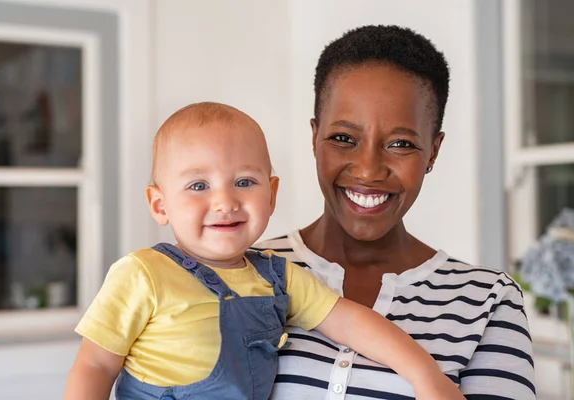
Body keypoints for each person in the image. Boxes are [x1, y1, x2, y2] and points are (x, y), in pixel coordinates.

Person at [63, 102, 464, 400]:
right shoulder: (142, 274)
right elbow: (95, 364)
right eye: (199, 186)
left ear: (271, 195)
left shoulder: (277, 276)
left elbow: (353, 323)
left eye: (244, 182)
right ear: (159, 204)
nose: (225, 202)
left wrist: (426, 376)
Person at [253, 25, 536, 400]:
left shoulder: (487, 302)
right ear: (314, 137)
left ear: (433, 152)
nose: (368, 170)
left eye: (401, 144)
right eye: (343, 139)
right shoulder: (245, 272)